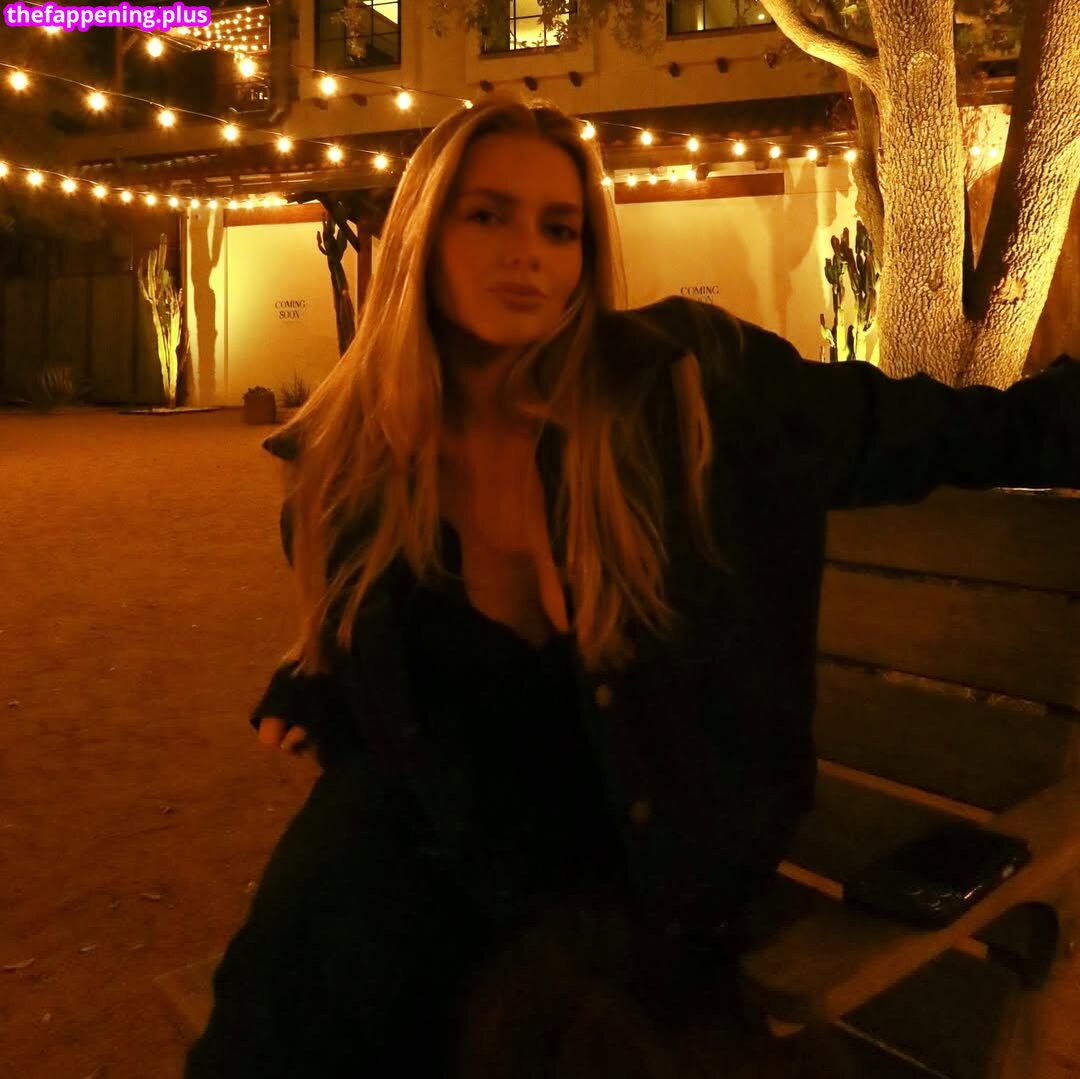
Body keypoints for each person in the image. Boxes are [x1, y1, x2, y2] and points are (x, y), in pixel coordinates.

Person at [185, 94, 1080, 1078]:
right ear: (421, 240)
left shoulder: (688, 389)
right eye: (486, 215)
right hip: (439, 862)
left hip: (637, 895)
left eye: (558, 228)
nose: (527, 253)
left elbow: (940, 431)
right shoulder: (353, 469)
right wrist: (316, 680)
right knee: (308, 940)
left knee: (522, 1018)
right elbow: (403, 675)